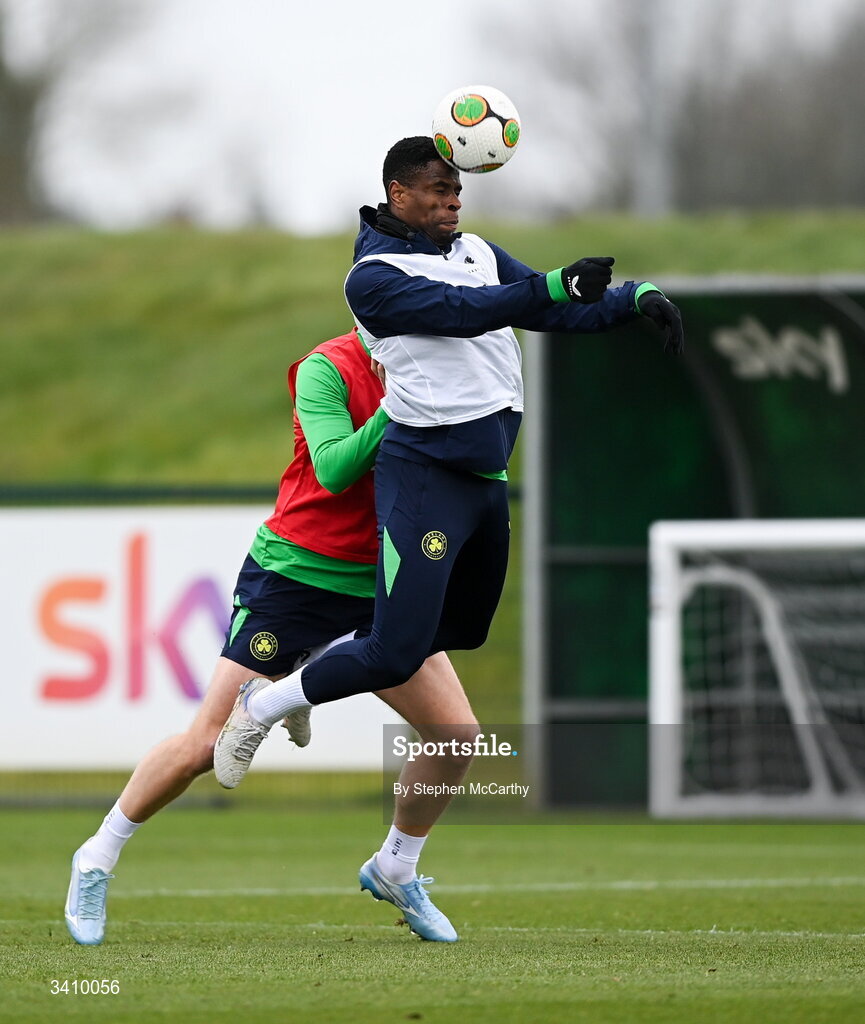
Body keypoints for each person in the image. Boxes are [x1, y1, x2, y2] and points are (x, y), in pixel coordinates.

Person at [214, 138, 684, 784]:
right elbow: (464, 313)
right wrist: (551, 284)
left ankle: (321, 683)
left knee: (457, 631)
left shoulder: (478, 253)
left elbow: (549, 306)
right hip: (424, 472)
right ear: (397, 195)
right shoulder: (372, 279)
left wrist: (632, 300)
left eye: (458, 191)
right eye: (438, 191)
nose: (453, 202)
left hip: (483, 477)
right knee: (394, 652)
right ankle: (264, 703)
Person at [65, 326, 483, 947]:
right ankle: (95, 858)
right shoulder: (327, 368)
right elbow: (336, 469)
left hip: (383, 578)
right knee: (206, 745)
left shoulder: (442, 364)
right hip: (297, 578)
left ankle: (396, 866)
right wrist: (403, 407)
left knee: (456, 738)